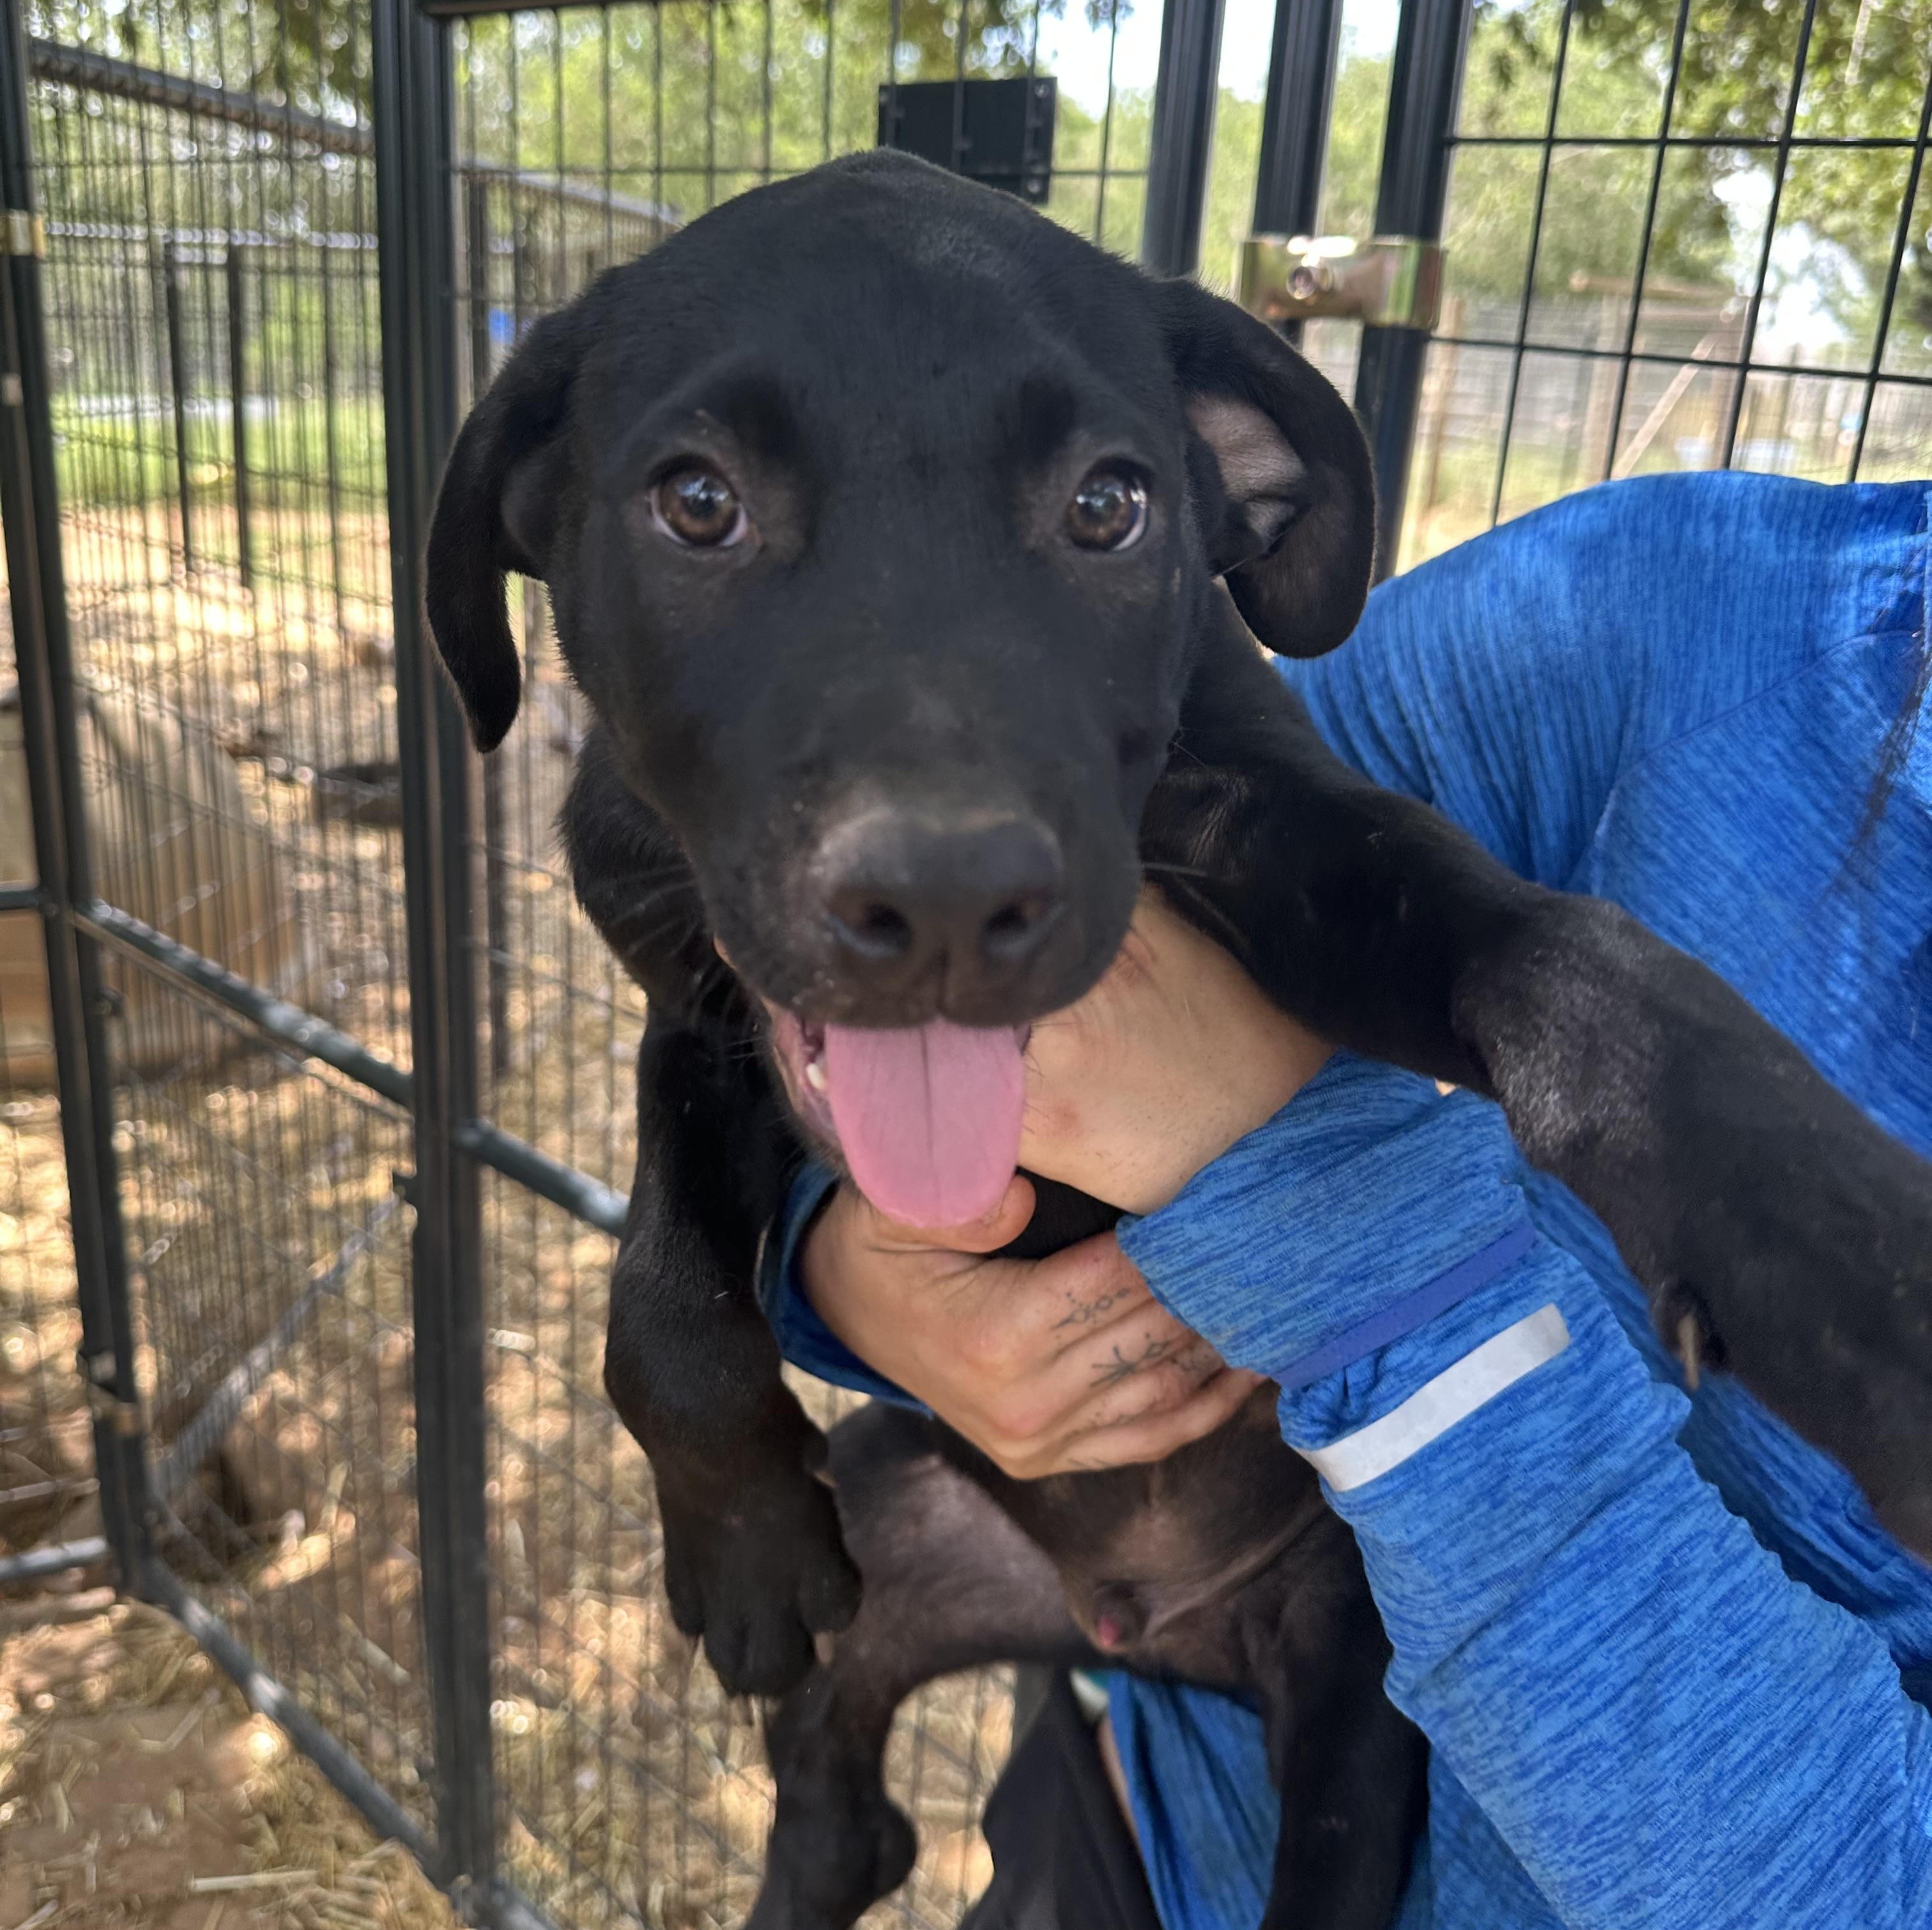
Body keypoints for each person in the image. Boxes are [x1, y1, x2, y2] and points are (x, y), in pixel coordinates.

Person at [758, 470, 1932, 1929]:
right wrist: (851, 1269)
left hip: (1326, 1689)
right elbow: (986, 904)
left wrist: (1330, 1230)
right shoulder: (1733, 617)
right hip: (1142, 1827)